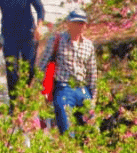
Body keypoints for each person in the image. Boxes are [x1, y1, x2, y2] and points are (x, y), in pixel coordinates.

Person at [37, 8, 98, 137]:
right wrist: (37, 88)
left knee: (92, 129)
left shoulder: (88, 45)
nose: (78, 26)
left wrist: (94, 96)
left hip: (82, 88)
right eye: (75, 22)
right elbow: (43, 64)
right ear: (69, 23)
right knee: (67, 128)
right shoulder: (57, 40)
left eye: (81, 23)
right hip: (64, 86)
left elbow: (92, 72)